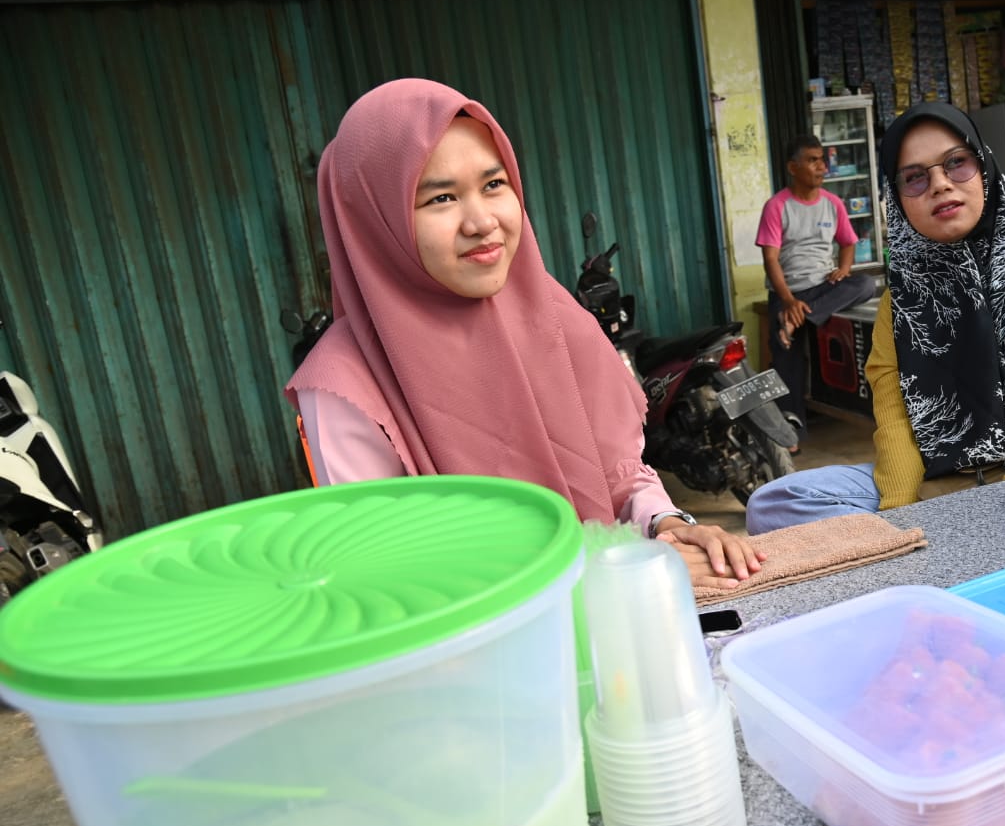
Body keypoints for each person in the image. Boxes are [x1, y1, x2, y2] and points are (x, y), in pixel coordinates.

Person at [285, 78, 764, 591]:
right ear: (374, 220)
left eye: (494, 185)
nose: (482, 221)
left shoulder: (554, 317)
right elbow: (390, 576)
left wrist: (665, 524)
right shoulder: (345, 384)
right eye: (441, 198)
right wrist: (601, 580)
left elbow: (618, 476)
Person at [744, 103, 1005, 534]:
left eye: (957, 164)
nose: (939, 184)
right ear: (897, 198)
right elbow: (896, 411)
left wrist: (1002, 520)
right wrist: (899, 518)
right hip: (945, 478)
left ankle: (955, 542)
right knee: (774, 504)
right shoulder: (905, 292)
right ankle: (941, 542)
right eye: (915, 177)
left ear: (984, 166)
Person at [756, 134, 878, 448]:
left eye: (822, 159)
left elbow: (849, 242)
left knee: (865, 283)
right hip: (790, 291)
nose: (822, 166)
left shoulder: (833, 203)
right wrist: (788, 301)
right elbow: (770, 259)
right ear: (793, 167)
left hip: (824, 288)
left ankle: (801, 322)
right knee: (787, 360)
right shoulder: (777, 206)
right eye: (813, 160)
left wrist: (844, 267)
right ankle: (790, 433)